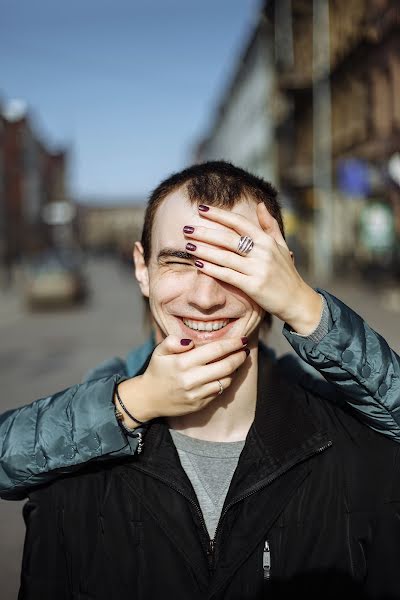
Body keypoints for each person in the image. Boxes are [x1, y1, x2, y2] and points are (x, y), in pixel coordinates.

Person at [17, 161, 400, 599]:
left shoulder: (366, 461)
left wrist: (305, 306)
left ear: (283, 275)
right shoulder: (68, 474)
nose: (205, 298)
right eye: (180, 262)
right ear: (142, 268)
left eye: (236, 265)